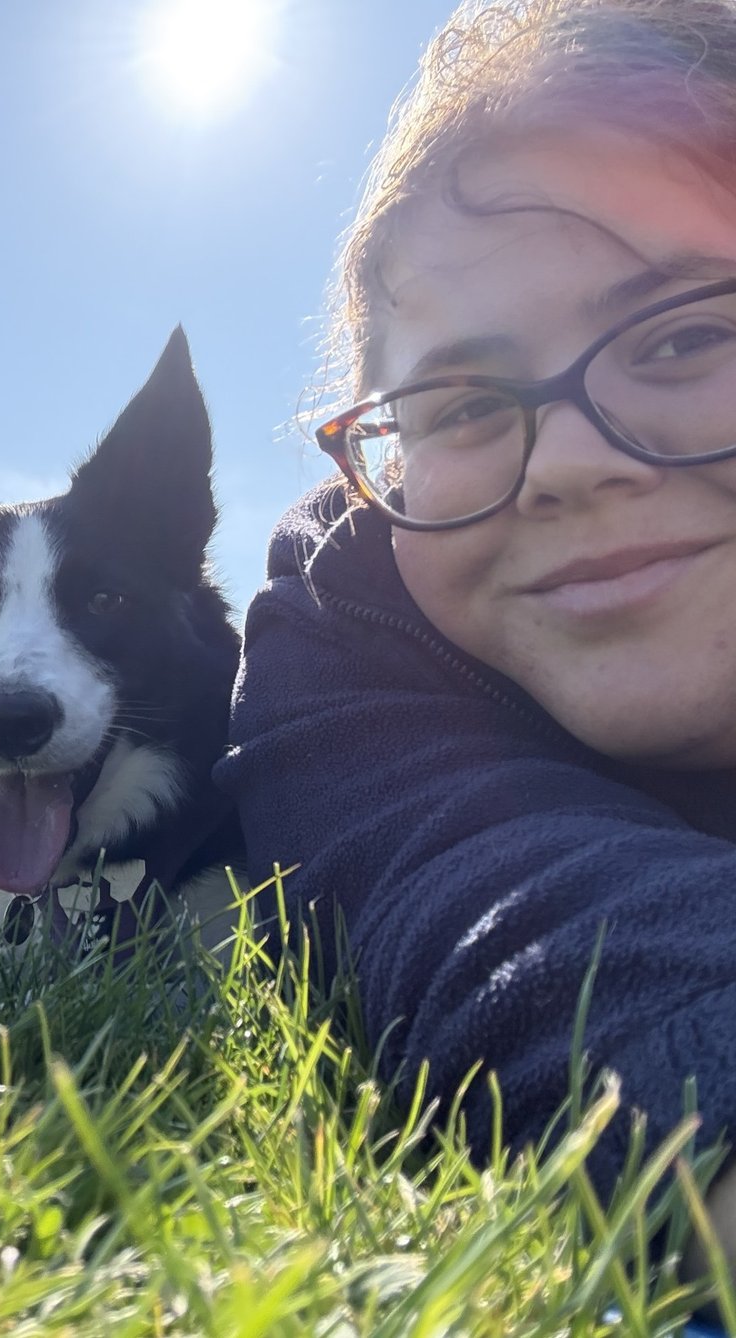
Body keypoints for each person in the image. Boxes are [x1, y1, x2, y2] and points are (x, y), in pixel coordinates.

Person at [217, 0, 736, 1273]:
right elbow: (493, 898)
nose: (564, 461)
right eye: (457, 405)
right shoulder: (351, 612)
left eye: (684, 336)